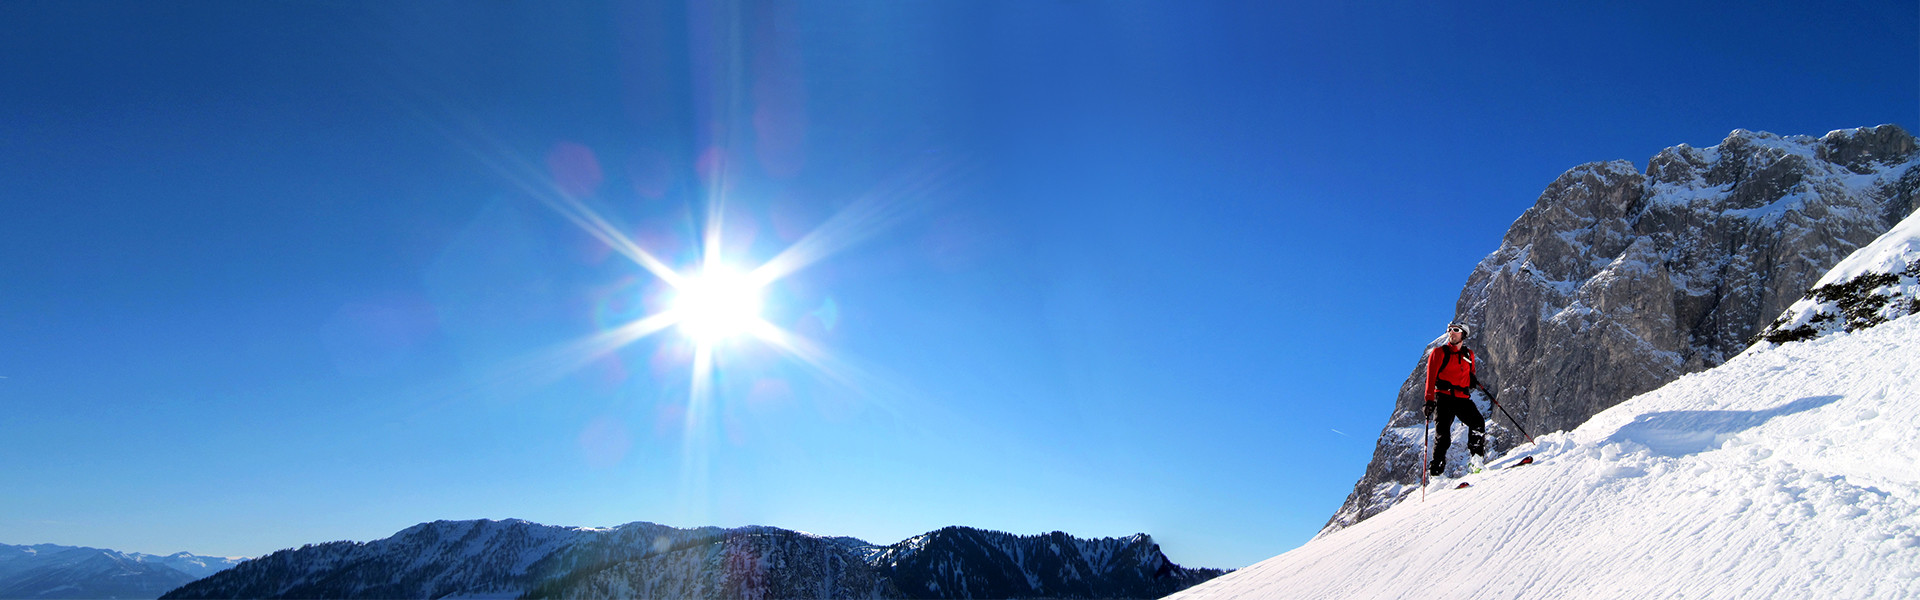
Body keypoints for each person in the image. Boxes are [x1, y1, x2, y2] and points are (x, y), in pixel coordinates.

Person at [1424, 323, 1486, 476]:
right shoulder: (1439, 352)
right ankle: (1436, 473)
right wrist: (1429, 400)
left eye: (1456, 330)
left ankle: (1476, 461)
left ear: (1463, 335)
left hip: (1462, 398)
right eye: (1450, 330)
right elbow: (1430, 378)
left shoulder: (1469, 355)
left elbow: (1471, 373)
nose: (1452, 333)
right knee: (1443, 436)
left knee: (1478, 423)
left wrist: (1472, 380)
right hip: (1443, 398)